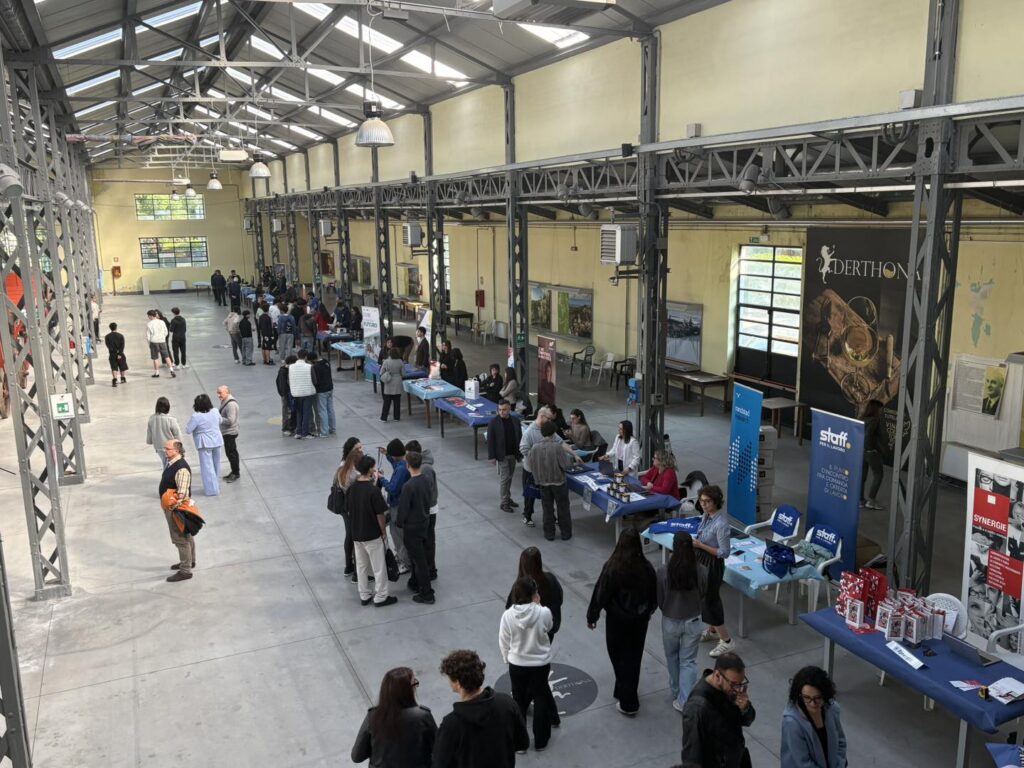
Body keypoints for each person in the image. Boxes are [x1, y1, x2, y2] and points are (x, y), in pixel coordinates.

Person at [587, 527, 658, 716]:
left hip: (617, 621)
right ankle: (625, 690)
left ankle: (628, 701)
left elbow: (601, 593)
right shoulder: (646, 568)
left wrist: (592, 616)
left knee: (618, 657)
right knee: (634, 657)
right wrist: (649, 611)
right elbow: (654, 594)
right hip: (639, 622)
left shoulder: (612, 568)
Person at [433, 649, 529, 768]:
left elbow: (441, 763)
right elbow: (522, 743)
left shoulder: (451, 725)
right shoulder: (507, 703)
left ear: (458, 683)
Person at [499, 576, 557, 753]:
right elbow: (549, 626)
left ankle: (520, 743)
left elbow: (503, 640)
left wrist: (507, 658)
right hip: (540, 664)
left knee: (518, 701)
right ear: (534, 594)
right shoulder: (544, 612)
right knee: (540, 698)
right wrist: (538, 605)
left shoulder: (508, 616)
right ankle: (541, 740)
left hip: (517, 664)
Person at [658, 531, 707, 712]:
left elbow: (660, 598)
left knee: (672, 656)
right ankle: (685, 699)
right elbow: (703, 592)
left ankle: (676, 690)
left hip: (671, 619)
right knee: (688, 660)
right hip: (693, 619)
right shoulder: (701, 570)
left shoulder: (664, 571)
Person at [680, 652, 756, 768]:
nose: (738, 689)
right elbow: (691, 754)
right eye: (734, 684)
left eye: (741, 683)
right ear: (717, 676)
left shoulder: (730, 689)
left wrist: (745, 708)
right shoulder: (697, 707)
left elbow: (747, 720)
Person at [351, 667, 435, 767]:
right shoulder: (423, 716)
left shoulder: (373, 716)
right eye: (414, 684)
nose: (416, 687)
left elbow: (357, 756)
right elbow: (440, 750)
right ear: (407, 690)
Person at [348, 455, 397, 607]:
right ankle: (381, 596)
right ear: (370, 470)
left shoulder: (352, 488)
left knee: (361, 565)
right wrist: (383, 532)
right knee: (378, 566)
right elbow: (380, 514)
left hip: (356, 533)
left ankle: (364, 594)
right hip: (372, 534)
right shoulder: (373, 491)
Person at [694, 485, 735, 658]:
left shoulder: (721, 524)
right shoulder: (706, 516)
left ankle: (726, 641)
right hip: (702, 559)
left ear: (716, 502)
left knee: (710, 601)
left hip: (712, 564)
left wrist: (700, 545)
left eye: (707, 501)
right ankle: (712, 630)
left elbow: (724, 552)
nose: (703, 504)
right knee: (704, 598)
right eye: (701, 501)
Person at [518, 406, 576, 529]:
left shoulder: (549, 430)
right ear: (542, 416)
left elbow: (560, 442)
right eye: (549, 418)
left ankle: (551, 517)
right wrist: (537, 459)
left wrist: (574, 454)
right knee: (530, 495)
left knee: (547, 498)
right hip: (531, 470)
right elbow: (523, 448)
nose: (550, 421)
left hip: (545, 471)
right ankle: (527, 515)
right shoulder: (529, 432)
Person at [780, 666, 847, 768]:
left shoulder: (832, 709)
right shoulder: (792, 723)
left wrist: (840, 765)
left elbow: (841, 742)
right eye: (807, 697)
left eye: (818, 697)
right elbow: (803, 762)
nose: (812, 703)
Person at [530, 420, 578, 541]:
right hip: (559, 483)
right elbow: (565, 465)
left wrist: (538, 479)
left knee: (547, 509)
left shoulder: (535, 448)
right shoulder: (557, 447)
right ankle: (565, 533)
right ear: (553, 433)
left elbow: (532, 466)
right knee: (563, 508)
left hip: (543, 483)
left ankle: (549, 534)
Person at [397, 451, 434, 604]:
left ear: (408, 465)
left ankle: (427, 593)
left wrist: (399, 523)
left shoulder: (408, 486)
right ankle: (415, 583)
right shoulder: (426, 479)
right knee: (419, 557)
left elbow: (403, 509)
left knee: (419, 561)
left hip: (412, 528)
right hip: (424, 523)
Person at [504, 547, 563, 642]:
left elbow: (509, 608)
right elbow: (559, 599)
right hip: (545, 636)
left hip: (523, 639)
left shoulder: (519, 586)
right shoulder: (551, 580)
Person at [159, 439, 195, 582]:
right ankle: (190, 561)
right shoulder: (172, 463)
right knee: (186, 535)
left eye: (168, 449)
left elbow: (182, 494)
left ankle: (185, 570)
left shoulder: (181, 469)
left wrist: (173, 509)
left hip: (176, 509)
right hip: (172, 507)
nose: (165, 451)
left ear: (177, 450)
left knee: (180, 538)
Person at [406, 440, 438, 580]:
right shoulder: (423, 466)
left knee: (428, 541)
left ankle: (430, 570)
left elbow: (426, 493)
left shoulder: (425, 469)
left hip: (428, 510)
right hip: (427, 509)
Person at [334, 437, 363, 580]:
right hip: (351, 506)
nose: (361, 450)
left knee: (349, 534)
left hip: (344, 506)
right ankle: (356, 570)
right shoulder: (349, 468)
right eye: (358, 448)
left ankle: (349, 565)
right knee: (354, 536)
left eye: (361, 447)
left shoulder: (344, 465)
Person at [381, 439, 411, 574]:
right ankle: (401, 556)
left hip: (398, 506)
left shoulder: (402, 469)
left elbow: (393, 489)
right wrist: (387, 455)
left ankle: (405, 562)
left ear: (395, 454)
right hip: (399, 505)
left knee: (398, 535)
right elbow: (395, 463)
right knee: (395, 532)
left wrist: (381, 478)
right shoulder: (403, 462)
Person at [184, 394, 224, 496]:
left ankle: (212, 490)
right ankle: (216, 485)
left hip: (204, 443)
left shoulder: (196, 416)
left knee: (207, 468)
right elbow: (220, 420)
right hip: (217, 440)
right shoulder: (215, 411)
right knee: (216, 464)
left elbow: (188, 430)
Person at [487, 400, 522, 514]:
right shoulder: (494, 422)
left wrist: (520, 452)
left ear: (509, 409)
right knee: (505, 478)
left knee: (509, 477)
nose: (501, 412)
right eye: (500, 410)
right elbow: (490, 440)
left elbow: (519, 436)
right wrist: (492, 456)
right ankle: (504, 502)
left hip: (513, 454)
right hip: (502, 455)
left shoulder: (515, 420)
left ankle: (507, 497)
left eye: (504, 410)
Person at [860, 399, 885, 510]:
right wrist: (870, 449)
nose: (881, 411)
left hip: (862, 451)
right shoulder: (874, 420)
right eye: (880, 409)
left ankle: (860, 501)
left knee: (862, 476)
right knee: (878, 475)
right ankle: (871, 501)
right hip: (871, 452)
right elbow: (868, 435)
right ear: (876, 409)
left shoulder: (863, 419)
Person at [289, 349, 317, 439]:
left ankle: (298, 432)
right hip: (307, 393)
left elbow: (289, 381)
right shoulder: (309, 366)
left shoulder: (291, 367)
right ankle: (305, 433)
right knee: (306, 413)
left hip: (296, 393)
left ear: (297, 356)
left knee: (299, 413)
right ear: (306, 357)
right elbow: (314, 380)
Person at [146, 397, 181, 468]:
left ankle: (166, 474)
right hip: (170, 447)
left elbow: (149, 432)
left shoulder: (152, 419)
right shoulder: (171, 420)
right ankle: (167, 475)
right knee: (170, 465)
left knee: (165, 463)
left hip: (159, 447)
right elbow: (177, 433)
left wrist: (149, 441)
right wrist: (179, 446)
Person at [217, 385, 241, 483]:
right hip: (227, 432)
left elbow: (231, 421)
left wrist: (219, 419)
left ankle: (236, 473)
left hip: (230, 432)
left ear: (227, 392)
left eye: (220, 393)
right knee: (230, 453)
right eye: (218, 393)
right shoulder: (225, 401)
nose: (218, 395)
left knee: (231, 453)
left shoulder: (230, 404)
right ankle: (234, 471)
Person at [310, 350, 336, 436]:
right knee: (330, 409)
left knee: (322, 411)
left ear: (312, 360)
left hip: (321, 391)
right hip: (330, 388)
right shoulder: (326, 362)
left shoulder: (315, 367)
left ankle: (324, 432)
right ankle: (332, 429)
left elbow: (315, 380)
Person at [146, 310, 176, 378]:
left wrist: (149, 343)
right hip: (162, 341)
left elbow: (148, 336)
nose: (148, 317)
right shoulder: (162, 322)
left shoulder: (149, 324)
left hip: (154, 342)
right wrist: (162, 338)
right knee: (167, 356)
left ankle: (157, 373)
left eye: (148, 316)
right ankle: (171, 370)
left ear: (151, 316)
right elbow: (166, 332)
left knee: (155, 358)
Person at [379, 347, 405, 423]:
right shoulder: (400, 361)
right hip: (397, 382)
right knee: (397, 401)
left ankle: (384, 418)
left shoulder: (386, 361)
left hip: (388, 382)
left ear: (389, 353)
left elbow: (381, 372)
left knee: (387, 402)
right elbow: (403, 374)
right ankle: (396, 417)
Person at [276, 354, 296, 436]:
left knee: (292, 411)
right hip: (286, 394)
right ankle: (286, 428)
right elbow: (282, 384)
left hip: (290, 393)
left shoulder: (285, 370)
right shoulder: (283, 371)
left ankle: (292, 427)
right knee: (286, 411)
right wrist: (284, 394)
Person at [104, 321, 128, 387]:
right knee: (122, 366)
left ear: (110, 328)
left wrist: (113, 351)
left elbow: (108, 346)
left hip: (112, 354)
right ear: (116, 328)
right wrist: (119, 353)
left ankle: (115, 379)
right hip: (120, 354)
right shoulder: (121, 336)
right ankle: (122, 378)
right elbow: (122, 346)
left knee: (114, 367)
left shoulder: (107, 337)